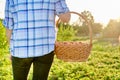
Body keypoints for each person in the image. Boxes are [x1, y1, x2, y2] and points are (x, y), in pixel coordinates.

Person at [3, 0, 70, 80]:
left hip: (20, 48)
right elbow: (66, 18)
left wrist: (11, 49)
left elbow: (9, 26)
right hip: (45, 47)